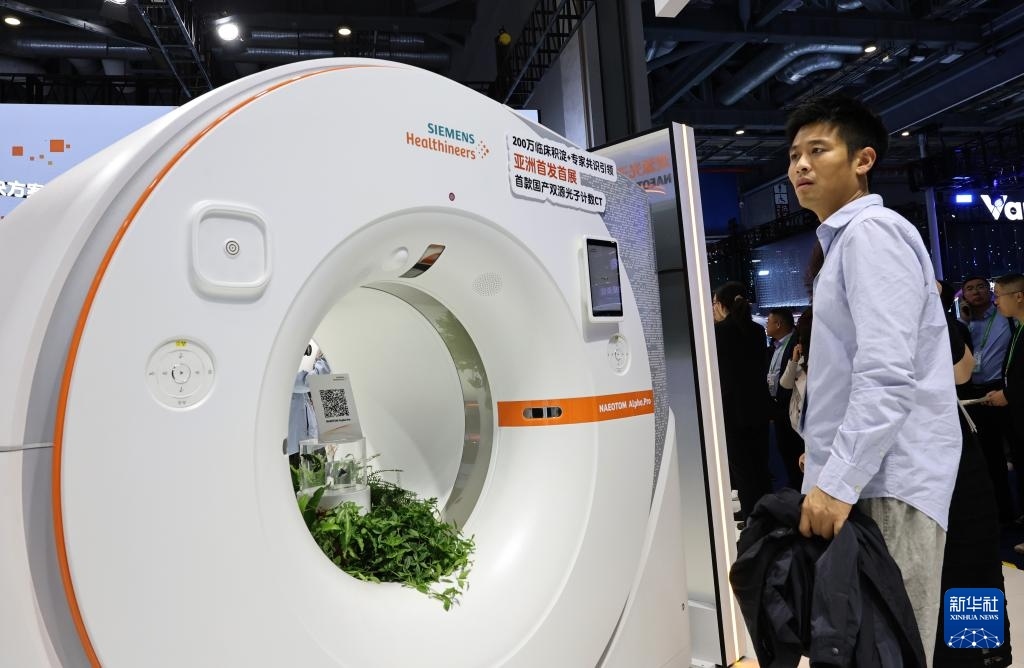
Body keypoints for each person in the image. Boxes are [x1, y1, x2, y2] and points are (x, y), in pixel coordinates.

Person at [786, 94, 961, 665]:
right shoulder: (845, 243)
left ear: (863, 160)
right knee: (860, 648)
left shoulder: (871, 234)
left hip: (887, 482)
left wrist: (837, 481)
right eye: (794, 155)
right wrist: (823, 459)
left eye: (818, 150)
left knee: (889, 650)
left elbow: (886, 374)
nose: (800, 165)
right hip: (865, 478)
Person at [712, 281, 772, 520]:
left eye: (714, 303)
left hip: (732, 409)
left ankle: (751, 515)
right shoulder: (757, 331)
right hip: (759, 406)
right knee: (760, 463)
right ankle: (765, 513)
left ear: (722, 304)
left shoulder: (719, 332)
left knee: (742, 467)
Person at [959, 275, 1015, 523]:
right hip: (977, 394)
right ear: (964, 296)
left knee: (1017, 448)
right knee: (989, 456)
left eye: (981, 287)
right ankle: (1003, 513)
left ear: (990, 291)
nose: (976, 292)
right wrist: (964, 321)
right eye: (970, 289)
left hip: (1004, 390)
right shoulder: (963, 324)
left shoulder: (1005, 317)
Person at [766, 307, 804, 489]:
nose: (766, 325)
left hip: (792, 407)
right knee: (786, 455)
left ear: (778, 324)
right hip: (778, 408)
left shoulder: (796, 344)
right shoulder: (775, 347)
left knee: (795, 455)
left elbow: (787, 382)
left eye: (769, 321)